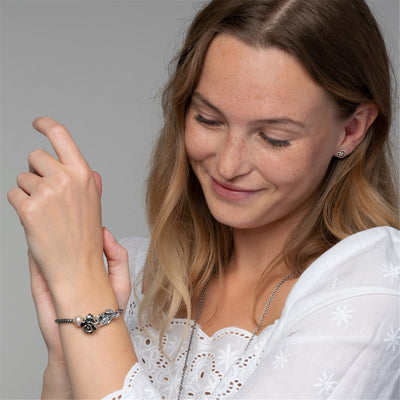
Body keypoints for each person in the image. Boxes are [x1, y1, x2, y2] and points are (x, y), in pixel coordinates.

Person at [7, 0, 399, 398]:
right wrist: (66, 358)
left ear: (351, 130)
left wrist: (81, 284)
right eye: (208, 120)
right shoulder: (135, 275)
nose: (228, 165)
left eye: (274, 138)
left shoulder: (372, 286)